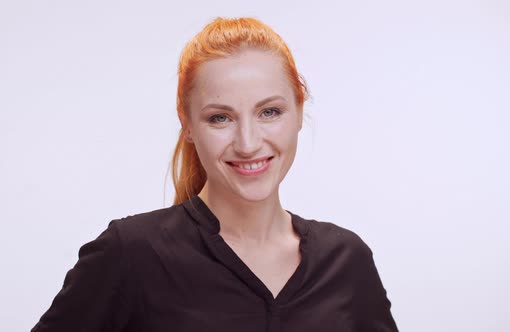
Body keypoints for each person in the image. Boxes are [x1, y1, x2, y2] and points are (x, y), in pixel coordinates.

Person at [31, 17, 398, 332]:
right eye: (219, 118)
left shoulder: (347, 261)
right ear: (187, 123)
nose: (248, 143)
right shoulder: (130, 253)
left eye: (269, 112)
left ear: (299, 112)